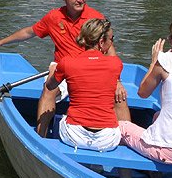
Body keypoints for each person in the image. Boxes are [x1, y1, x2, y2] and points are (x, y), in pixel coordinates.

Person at [0, 0, 129, 136]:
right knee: (48, 89)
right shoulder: (54, 17)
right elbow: (30, 32)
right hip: (62, 67)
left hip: (91, 68)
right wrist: (1, 42)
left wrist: (117, 81)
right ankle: (41, 137)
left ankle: (126, 139)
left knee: (119, 97)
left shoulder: (96, 19)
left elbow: (109, 49)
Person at [119, 18, 172, 178]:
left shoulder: (166, 61)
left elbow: (142, 92)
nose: (169, 40)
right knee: (156, 115)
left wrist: (154, 61)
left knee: (121, 127)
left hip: (170, 152)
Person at [46, 19, 123, 152]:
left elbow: (50, 86)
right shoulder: (116, 64)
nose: (112, 43)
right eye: (111, 39)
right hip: (107, 139)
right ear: (101, 42)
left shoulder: (67, 63)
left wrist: (53, 72)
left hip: (74, 136)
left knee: (62, 118)